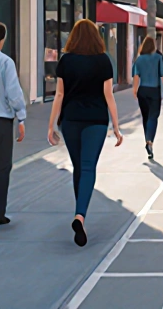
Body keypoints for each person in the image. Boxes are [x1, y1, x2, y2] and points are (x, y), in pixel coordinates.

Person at [45, 19, 123, 246]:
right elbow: (109, 95)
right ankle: (80, 215)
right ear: (96, 38)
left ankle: (79, 213)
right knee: (88, 167)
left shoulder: (66, 60)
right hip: (96, 120)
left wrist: (50, 125)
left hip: (70, 120)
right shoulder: (103, 60)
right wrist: (116, 126)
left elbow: (59, 94)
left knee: (78, 167)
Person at [0, 21, 26, 228]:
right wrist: (21, 117)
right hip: (1, 121)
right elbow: (13, 93)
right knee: (2, 167)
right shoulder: (5, 62)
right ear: (2, 39)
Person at [132, 36, 163, 161]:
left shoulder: (139, 59)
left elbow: (136, 76)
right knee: (153, 117)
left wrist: (134, 90)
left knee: (146, 117)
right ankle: (149, 141)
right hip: (154, 91)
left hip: (142, 91)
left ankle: (147, 141)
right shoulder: (158, 58)